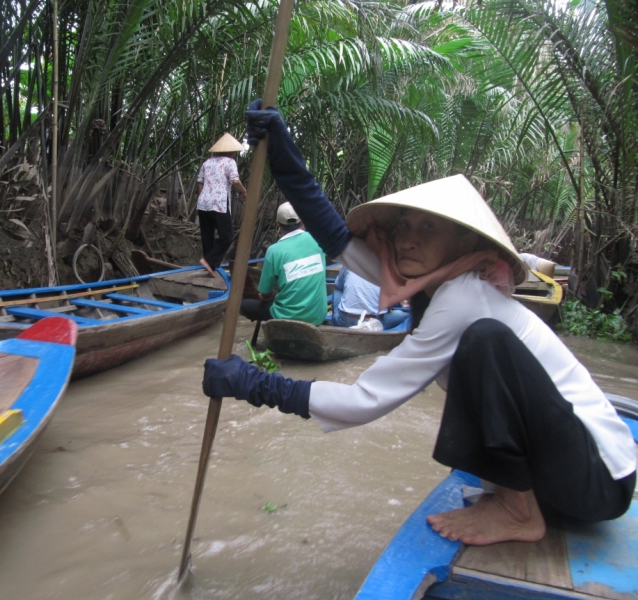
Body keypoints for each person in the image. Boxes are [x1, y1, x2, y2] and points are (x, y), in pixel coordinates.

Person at [202, 101, 635, 547]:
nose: (408, 239)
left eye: (429, 228)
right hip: (563, 472)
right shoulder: (425, 279)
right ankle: (512, 497)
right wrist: (283, 154)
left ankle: (517, 511)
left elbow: (363, 400)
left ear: (464, 243)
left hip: (599, 480)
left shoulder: (464, 295)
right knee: (482, 345)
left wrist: (254, 384)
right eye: (405, 226)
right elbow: (335, 236)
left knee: (485, 341)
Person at [239, 202, 328, 326]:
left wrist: (264, 296)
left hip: (287, 317)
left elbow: (265, 294)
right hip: (318, 315)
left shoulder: (274, 251)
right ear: (301, 222)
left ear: (277, 224)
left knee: (243, 305)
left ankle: (274, 331)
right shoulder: (318, 239)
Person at [196, 133, 248, 277]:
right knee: (227, 236)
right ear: (232, 151)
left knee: (208, 237)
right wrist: (244, 192)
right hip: (219, 203)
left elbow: (200, 182)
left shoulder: (207, 162)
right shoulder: (229, 162)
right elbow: (235, 181)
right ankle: (208, 261)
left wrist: (203, 197)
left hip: (203, 203)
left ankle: (209, 268)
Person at [332, 266, 409, 329]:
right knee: (401, 314)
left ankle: (336, 320)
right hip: (375, 322)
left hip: (346, 320)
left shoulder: (349, 263)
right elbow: (388, 307)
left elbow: (339, 285)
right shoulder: (388, 268)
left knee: (338, 290)